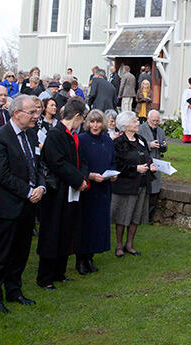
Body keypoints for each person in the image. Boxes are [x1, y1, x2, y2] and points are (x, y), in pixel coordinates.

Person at [0, 95, 45, 313]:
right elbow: (2, 174)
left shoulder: (30, 134)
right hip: (8, 206)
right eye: (32, 113)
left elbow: (36, 165)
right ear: (17, 113)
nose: (36, 117)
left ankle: (14, 290)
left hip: (28, 205)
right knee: (2, 254)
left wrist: (41, 187)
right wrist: (29, 191)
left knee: (21, 252)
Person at [36, 98, 89, 289]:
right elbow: (57, 163)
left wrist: (82, 178)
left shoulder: (73, 135)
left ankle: (60, 272)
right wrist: (77, 180)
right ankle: (45, 276)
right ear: (76, 116)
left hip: (72, 192)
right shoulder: (55, 135)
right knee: (53, 232)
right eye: (82, 118)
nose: (82, 123)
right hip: (57, 192)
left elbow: (81, 160)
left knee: (67, 230)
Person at [76, 109, 116, 275]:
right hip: (88, 188)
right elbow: (78, 164)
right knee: (85, 224)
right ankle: (81, 260)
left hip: (103, 188)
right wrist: (90, 176)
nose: (95, 125)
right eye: (92, 122)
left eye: (98, 122)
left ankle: (91, 257)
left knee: (98, 225)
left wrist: (113, 174)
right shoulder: (81, 139)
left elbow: (113, 161)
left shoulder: (107, 141)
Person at [111, 111, 155, 258]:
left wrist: (151, 165)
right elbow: (116, 165)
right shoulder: (118, 142)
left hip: (141, 184)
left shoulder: (140, 139)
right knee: (123, 216)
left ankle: (129, 244)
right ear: (125, 125)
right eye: (134, 121)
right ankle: (119, 246)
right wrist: (135, 168)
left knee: (136, 216)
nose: (137, 123)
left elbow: (147, 156)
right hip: (126, 185)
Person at [138, 109, 167, 219]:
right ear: (148, 119)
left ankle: (149, 217)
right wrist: (149, 145)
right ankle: (141, 216)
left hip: (157, 163)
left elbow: (165, 146)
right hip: (145, 163)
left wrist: (163, 146)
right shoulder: (141, 129)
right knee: (144, 191)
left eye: (157, 121)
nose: (155, 123)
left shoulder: (160, 131)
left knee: (155, 191)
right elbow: (137, 145)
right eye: (153, 121)